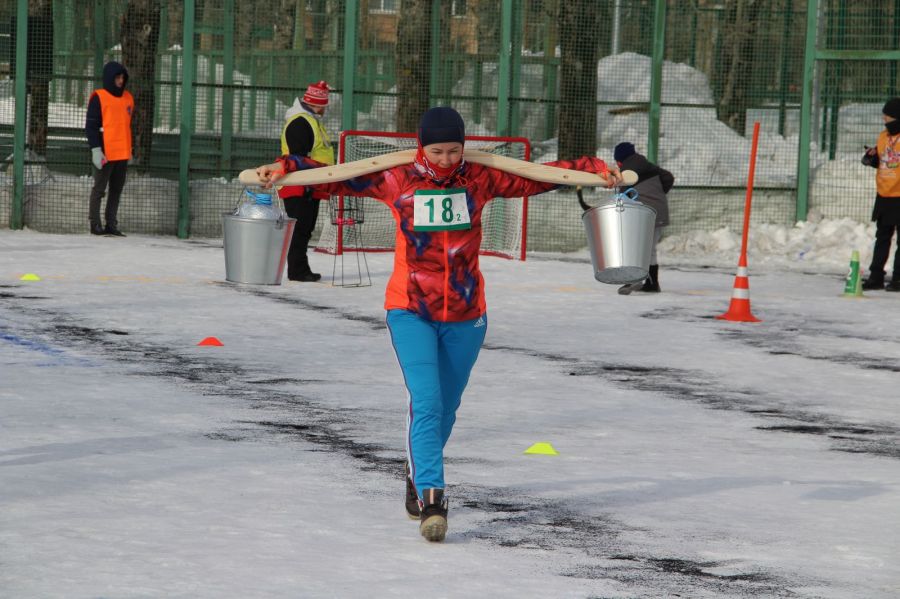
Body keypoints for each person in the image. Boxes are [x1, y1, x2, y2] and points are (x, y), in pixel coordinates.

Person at [254, 107, 621, 542]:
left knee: (446, 407)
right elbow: (333, 175)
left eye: (453, 150)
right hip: (411, 309)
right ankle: (433, 495)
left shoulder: (480, 179)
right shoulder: (397, 178)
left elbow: (539, 175)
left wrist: (598, 171)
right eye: (436, 150)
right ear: (421, 146)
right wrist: (283, 167)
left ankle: (418, 467)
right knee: (426, 400)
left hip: (467, 316)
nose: (446, 159)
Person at [279, 81, 335, 282]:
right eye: (324, 105)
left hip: (310, 183)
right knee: (300, 228)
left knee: (305, 228)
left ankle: (300, 268)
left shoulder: (309, 121)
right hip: (301, 184)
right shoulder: (300, 122)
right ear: (318, 103)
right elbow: (298, 158)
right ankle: (297, 270)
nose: (325, 109)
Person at [613, 142, 674, 294]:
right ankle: (652, 284)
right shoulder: (646, 165)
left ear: (620, 160)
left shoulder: (627, 172)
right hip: (658, 211)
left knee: (635, 246)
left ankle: (634, 279)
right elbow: (668, 177)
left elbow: (622, 197)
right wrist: (658, 195)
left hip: (643, 214)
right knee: (649, 249)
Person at [85, 61, 133, 237]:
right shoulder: (99, 97)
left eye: (122, 78)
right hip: (106, 151)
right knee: (99, 189)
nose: (121, 81)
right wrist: (96, 149)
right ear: (109, 78)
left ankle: (111, 223)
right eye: (117, 77)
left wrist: (129, 150)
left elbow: (126, 125)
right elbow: (91, 126)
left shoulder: (128, 98)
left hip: (122, 152)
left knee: (116, 190)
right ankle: (95, 223)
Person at [861, 97, 900, 292]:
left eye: (889, 115)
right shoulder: (883, 136)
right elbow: (883, 159)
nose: (885, 118)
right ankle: (876, 276)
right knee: (882, 236)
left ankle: (898, 279)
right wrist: (871, 158)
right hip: (884, 193)